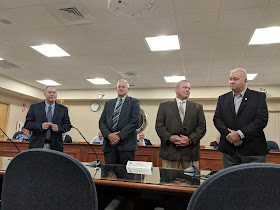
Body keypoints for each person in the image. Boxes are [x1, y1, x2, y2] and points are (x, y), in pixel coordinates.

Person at [213, 68, 268, 168]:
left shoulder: (258, 97)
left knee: (253, 182)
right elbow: (217, 119)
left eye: (235, 79)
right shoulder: (222, 99)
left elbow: (261, 120)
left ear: (245, 81)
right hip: (229, 151)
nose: (231, 82)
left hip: (253, 150)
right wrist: (231, 136)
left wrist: (239, 134)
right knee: (231, 182)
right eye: (230, 79)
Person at [155, 80, 206, 169]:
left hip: (191, 152)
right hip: (169, 151)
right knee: (168, 181)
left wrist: (190, 140)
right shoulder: (164, 106)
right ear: (176, 90)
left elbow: (202, 127)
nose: (188, 90)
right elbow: (159, 126)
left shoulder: (197, 107)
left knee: (192, 181)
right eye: (185, 87)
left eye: (189, 88)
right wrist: (170, 137)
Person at [99, 79, 140, 165]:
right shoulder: (108, 103)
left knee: (126, 176)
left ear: (128, 89)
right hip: (109, 146)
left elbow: (135, 122)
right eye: (119, 87)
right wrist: (109, 135)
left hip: (126, 146)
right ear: (116, 88)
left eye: (123, 87)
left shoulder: (134, 102)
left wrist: (118, 136)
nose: (121, 88)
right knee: (109, 174)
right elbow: (102, 122)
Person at [25, 86, 72, 152]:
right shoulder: (34, 107)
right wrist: (40, 126)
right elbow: (27, 124)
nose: (52, 94)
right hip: (37, 145)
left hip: (56, 146)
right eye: (49, 92)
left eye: (54, 93)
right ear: (45, 94)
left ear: (56, 95)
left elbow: (68, 126)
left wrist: (58, 128)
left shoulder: (63, 109)